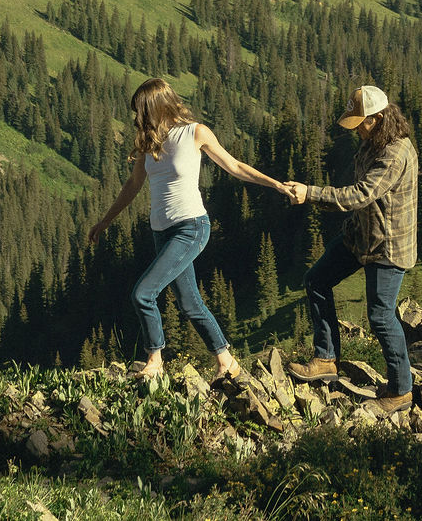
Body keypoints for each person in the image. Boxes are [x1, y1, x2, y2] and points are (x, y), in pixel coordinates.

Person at [88, 77, 291, 380]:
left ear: (157, 106)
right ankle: (226, 361)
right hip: (162, 232)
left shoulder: (195, 133)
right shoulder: (148, 144)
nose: (138, 118)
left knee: (143, 293)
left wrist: (274, 184)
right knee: (189, 303)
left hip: (191, 227)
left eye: (142, 111)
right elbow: (133, 185)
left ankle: (155, 360)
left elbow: (234, 166)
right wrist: (105, 221)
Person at [285, 85, 419, 413]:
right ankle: (326, 358)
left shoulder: (395, 152)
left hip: (388, 246)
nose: (357, 129)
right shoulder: (372, 144)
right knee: (317, 281)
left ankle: (401, 390)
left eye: (362, 122)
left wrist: (311, 194)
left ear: (379, 118)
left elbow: (359, 195)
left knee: (381, 315)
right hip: (359, 238)